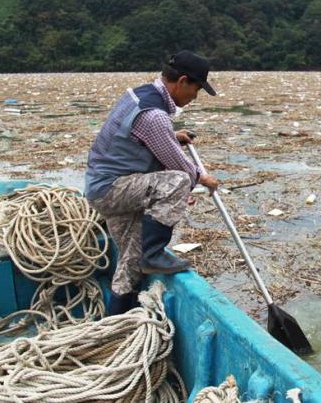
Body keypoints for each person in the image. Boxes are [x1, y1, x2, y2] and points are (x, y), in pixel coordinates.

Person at [84, 50, 220, 315]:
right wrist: (204, 179)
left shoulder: (140, 94)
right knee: (180, 181)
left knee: (130, 260)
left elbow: (141, 136)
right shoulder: (154, 116)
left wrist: (174, 135)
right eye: (196, 89)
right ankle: (153, 252)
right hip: (114, 189)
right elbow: (179, 166)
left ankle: (115, 322)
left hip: (104, 187)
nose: (194, 97)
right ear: (182, 81)